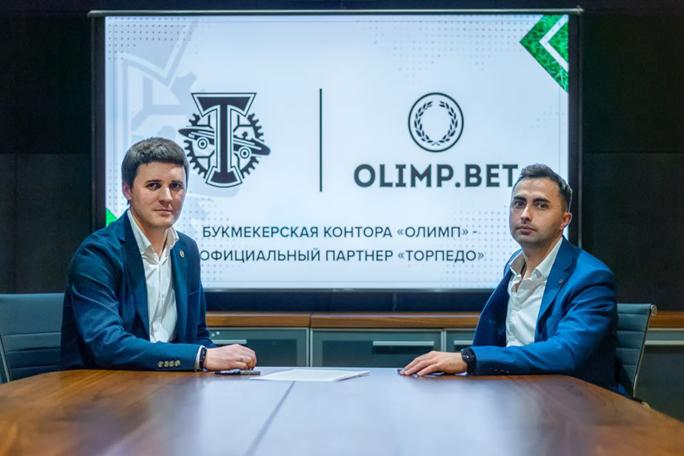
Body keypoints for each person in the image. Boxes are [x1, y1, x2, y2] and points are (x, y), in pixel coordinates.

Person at [401, 164, 618, 390]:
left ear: (565, 220)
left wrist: (469, 358)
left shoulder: (591, 278)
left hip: (574, 399)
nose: (525, 215)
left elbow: (565, 353)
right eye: (519, 203)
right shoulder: (514, 264)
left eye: (541, 205)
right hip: (515, 389)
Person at [61, 137, 256, 371]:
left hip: (171, 385)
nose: (167, 197)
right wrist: (201, 357)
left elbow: (197, 335)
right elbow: (106, 344)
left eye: (176, 186)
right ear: (127, 190)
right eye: (153, 185)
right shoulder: (97, 254)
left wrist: (226, 363)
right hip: (105, 387)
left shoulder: (186, 250)